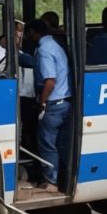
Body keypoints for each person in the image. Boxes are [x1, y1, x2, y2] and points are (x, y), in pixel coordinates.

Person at [25, 19, 71, 193]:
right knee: (61, 144)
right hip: (65, 102)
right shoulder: (55, 45)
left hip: (53, 104)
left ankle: (51, 182)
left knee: (47, 143)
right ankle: (62, 180)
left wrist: (42, 102)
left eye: (29, 34)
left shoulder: (44, 50)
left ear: (35, 32)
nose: (28, 38)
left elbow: (50, 81)